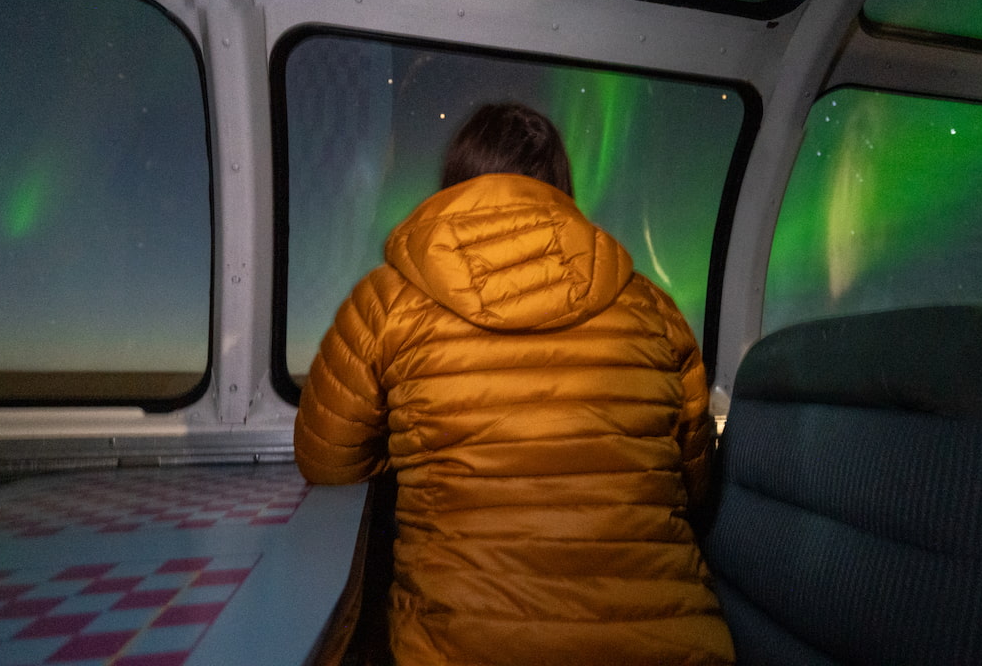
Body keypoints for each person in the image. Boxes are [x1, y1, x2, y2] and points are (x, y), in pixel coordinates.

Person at [295, 102, 735, 666]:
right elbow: (695, 483)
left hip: (459, 648)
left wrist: (420, 451)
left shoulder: (387, 301)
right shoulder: (653, 308)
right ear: (561, 187)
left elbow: (326, 461)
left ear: (454, 180)